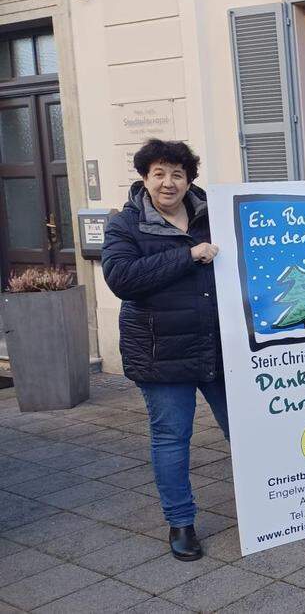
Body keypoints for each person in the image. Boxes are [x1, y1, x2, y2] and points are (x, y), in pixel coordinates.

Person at [101, 139, 227, 561]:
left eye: (177, 174)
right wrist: (188, 256)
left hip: (217, 346)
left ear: (190, 178)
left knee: (246, 430)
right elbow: (122, 278)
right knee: (172, 438)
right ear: (144, 178)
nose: (168, 182)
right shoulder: (125, 223)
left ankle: (270, 502)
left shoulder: (216, 214)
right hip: (160, 352)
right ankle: (181, 523)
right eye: (159, 173)